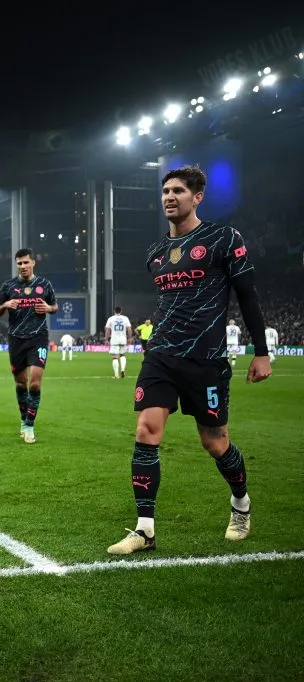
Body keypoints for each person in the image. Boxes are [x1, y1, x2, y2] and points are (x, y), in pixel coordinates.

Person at [108, 165, 272, 555]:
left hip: (206, 360)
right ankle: (145, 529)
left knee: (215, 443)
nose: (169, 196)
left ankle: (241, 504)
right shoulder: (156, 253)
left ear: (197, 197)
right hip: (161, 356)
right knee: (146, 431)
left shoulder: (223, 239)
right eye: (165, 190)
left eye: (178, 190)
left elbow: (247, 296)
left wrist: (261, 352)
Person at [0, 248, 58, 444]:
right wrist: (5, 305)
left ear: (33, 263)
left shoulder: (45, 284)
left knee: (35, 383)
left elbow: (54, 306)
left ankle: (30, 425)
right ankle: (23, 420)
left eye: (26, 262)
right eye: (19, 263)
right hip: (16, 339)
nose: (22, 266)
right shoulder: (8, 286)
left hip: (38, 338)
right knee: (21, 383)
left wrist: (48, 308)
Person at [104, 306, 134, 378]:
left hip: (114, 339)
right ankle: (123, 370)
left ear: (114, 311)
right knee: (122, 355)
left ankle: (116, 375)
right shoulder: (125, 318)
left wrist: (106, 339)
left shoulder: (111, 318)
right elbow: (129, 329)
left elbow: (108, 330)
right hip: (123, 339)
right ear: (121, 311)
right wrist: (130, 338)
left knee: (115, 357)